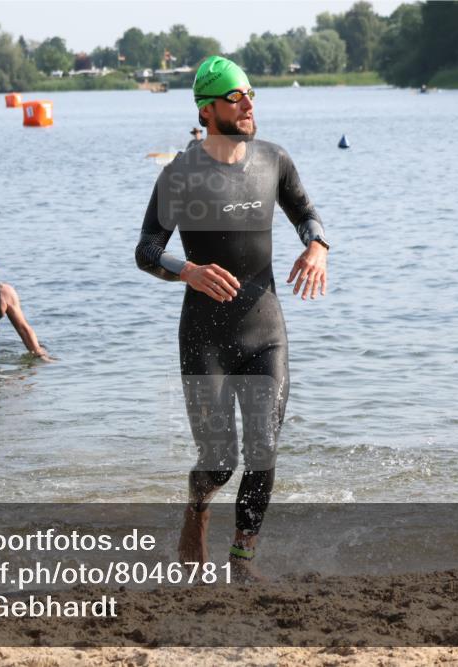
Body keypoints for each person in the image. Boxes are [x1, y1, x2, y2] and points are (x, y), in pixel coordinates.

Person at [135, 56, 330, 580]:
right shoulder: (182, 173)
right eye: (236, 96)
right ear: (208, 109)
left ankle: (242, 561)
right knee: (219, 460)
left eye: (250, 94)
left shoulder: (274, 159)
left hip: (264, 330)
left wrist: (318, 246)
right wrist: (187, 272)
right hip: (205, 336)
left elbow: (306, 214)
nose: (248, 103)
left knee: (263, 448)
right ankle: (197, 508)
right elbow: (147, 251)